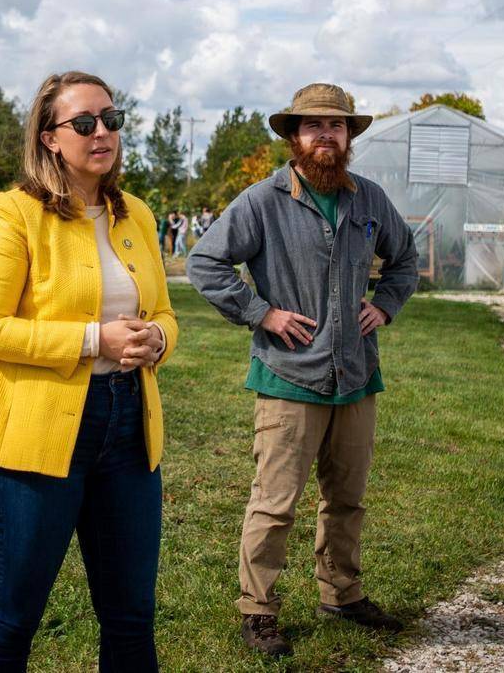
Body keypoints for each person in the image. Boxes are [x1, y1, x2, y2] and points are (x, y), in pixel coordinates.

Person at [186, 82, 419, 659]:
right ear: (294, 137)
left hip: (356, 374)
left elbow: (406, 258)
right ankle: (258, 609)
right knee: (275, 501)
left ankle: (341, 593)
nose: (326, 136)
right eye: (313, 126)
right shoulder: (262, 201)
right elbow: (205, 262)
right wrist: (261, 313)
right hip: (290, 376)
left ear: (348, 137)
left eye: (336, 127)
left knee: (347, 497)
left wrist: (385, 302)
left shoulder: (368, 200)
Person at [0, 71, 178, 671]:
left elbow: (161, 310)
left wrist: (157, 338)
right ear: (50, 137)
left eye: (111, 119)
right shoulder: (15, 212)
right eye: (84, 123)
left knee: (132, 617)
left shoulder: (135, 213)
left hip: (130, 428)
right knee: (13, 618)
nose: (102, 132)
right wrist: (93, 339)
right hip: (34, 438)